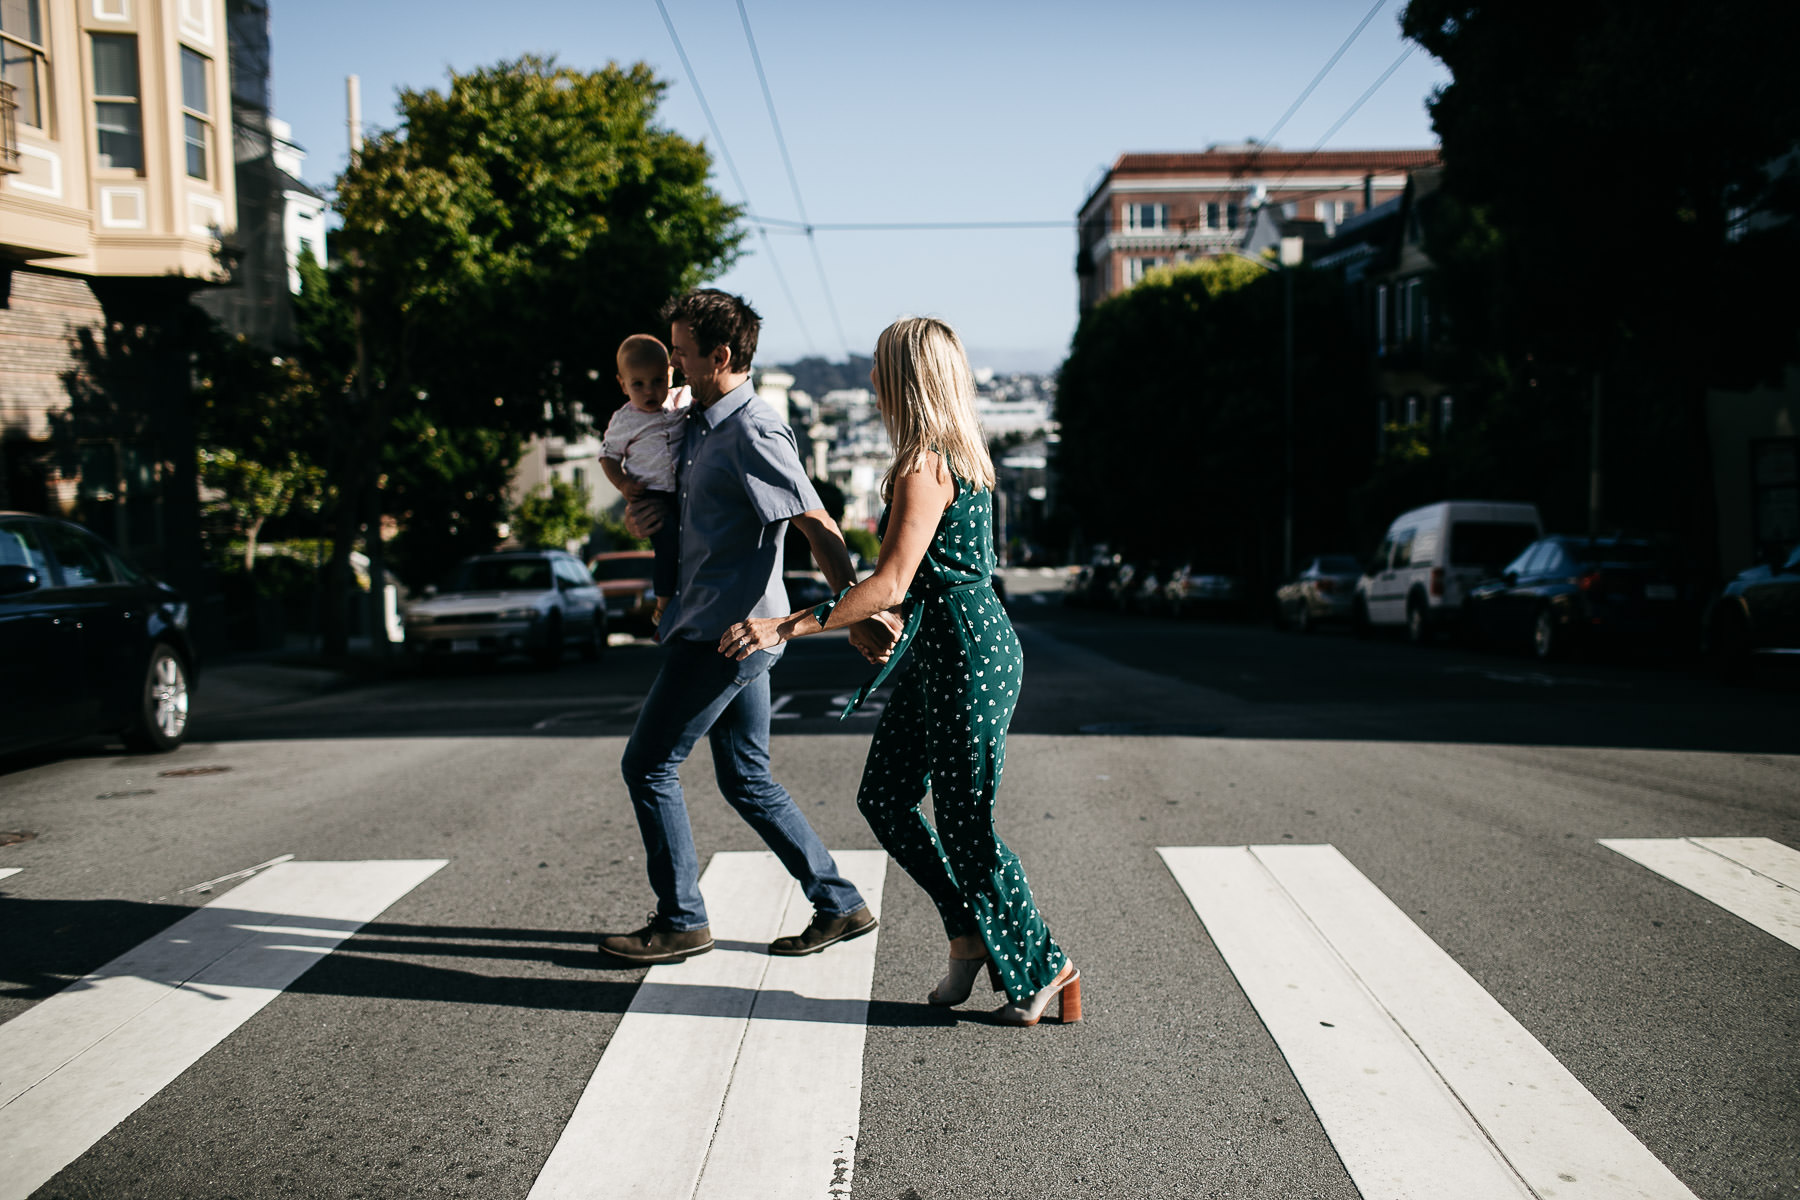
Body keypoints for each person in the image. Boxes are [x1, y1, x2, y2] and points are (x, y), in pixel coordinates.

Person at [719, 316, 1080, 1027]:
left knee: (967, 822)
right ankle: (967, 930)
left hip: (969, 651)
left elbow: (890, 580)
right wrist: (880, 619)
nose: (871, 381)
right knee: (886, 796)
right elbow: (904, 587)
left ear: (903, 380)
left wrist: (787, 623)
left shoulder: (926, 465)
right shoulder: (938, 457)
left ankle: (1045, 967)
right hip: (937, 648)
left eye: (881, 369)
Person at [600, 290, 897, 965]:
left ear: (720, 356)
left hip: (726, 635)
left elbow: (813, 520)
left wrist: (852, 607)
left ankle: (681, 919)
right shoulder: (696, 425)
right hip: (704, 620)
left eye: (680, 354)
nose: (670, 366)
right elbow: (682, 514)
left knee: (647, 766)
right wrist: (641, 515)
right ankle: (840, 903)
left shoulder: (752, 428)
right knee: (747, 779)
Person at [600, 334, 692, 627]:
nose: (649, 391)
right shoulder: (624, 420)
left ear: (670, 374)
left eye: (656, 381)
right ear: (622, 384)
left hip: (684, 489)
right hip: (650, 493)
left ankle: (686, 597)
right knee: (667, 546)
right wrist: (624, 485)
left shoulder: (683, 399)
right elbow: (608, 457)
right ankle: (664, 603)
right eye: (637, 384)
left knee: (690, 542)